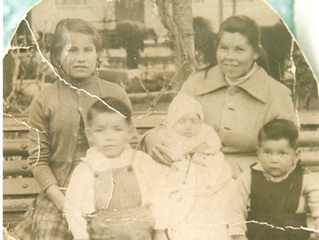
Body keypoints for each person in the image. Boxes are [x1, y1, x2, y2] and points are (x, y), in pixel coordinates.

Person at [12, 18, 131, 240]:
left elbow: (128, 149)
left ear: (97, 55)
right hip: (59, 195)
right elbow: (39, 160)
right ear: (57, 56)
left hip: (107, 195)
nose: (81, 58)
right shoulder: (44, 99)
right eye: (72, 51)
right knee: (53, 233)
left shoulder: (114, 94)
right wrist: (64, 203)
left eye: (88, 50)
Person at [144, 15, 298, 178]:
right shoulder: (196, 82)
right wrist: (151, 138)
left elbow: (287, 149)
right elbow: (171, 123)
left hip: (247, 180)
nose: (230, 57)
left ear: (255, 53)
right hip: (194, 175)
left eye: (239, 50)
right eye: (224, 48)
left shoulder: (276, 94)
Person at [64, 97, 168, 240]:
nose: (109, 137)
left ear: (130, 132)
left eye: (117, 129)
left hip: (141, 235)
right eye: (100, 130)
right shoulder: (85, 170)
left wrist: (160, 232)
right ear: (89, 134)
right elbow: (73, 211)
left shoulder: (142, 162)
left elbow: (160, 198)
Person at [155, 92, 233, 240]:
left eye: (193, 121)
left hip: (204, 170)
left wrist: (200, 147)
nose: (188, 126)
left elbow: (214, 145)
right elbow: (166, 153)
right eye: (182, 121)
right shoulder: (167, 134)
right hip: (178, 174)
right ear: (172, 122)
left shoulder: (205, 132)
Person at [229, 119, 319, 240]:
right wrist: (239, 235)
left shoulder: (304, 178)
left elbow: (317, 203)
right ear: (258, 152)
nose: (273, 160)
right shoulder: (248, 178)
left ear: (296, 154)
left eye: (282, 154)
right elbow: (235, 209)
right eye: (267, 153)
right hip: (257, 236)